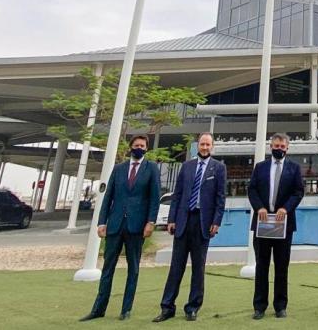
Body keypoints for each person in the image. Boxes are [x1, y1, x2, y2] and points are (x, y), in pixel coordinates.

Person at [81, 134, 160, 322]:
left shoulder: (151, 169)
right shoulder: (119, 169)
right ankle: (98, 308)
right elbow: (108, 197)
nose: (139, 148)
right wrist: (102, 222)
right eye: (136, 145)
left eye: (142, 145)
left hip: (136, 226)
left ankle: (126, 309)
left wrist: (151, 221)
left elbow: (154, 197)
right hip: (116, 224)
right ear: (131, 147)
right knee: (108, 267)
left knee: (133, 268)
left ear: (146, 149)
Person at [154, 133, 227, 322]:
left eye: (208, 144)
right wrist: (171, 218)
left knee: (198, 268)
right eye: (202, 144)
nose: (204, 147)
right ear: (197, 146)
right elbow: (177, 194)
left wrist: (216, 221)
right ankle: (167, 307)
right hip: (183, 221)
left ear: (213, 147)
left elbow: (221, 197)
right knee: (176, 267)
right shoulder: (187, 166)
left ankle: (192, 307)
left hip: (203, 223)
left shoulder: (218, 168)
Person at [247, 133, 305, 319]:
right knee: (261, 266)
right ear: (270, 146)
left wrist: (285, 209)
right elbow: (252, 189)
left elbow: (298, 192)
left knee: (281, 266)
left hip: (283, 224)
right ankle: (259, 306)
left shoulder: (294, 168)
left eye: (282, 146)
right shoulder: (260, 167)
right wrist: (259, 207)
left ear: (287, 148)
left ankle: (280, 305)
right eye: (276, 145)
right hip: (263, 222)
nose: (279, 149)